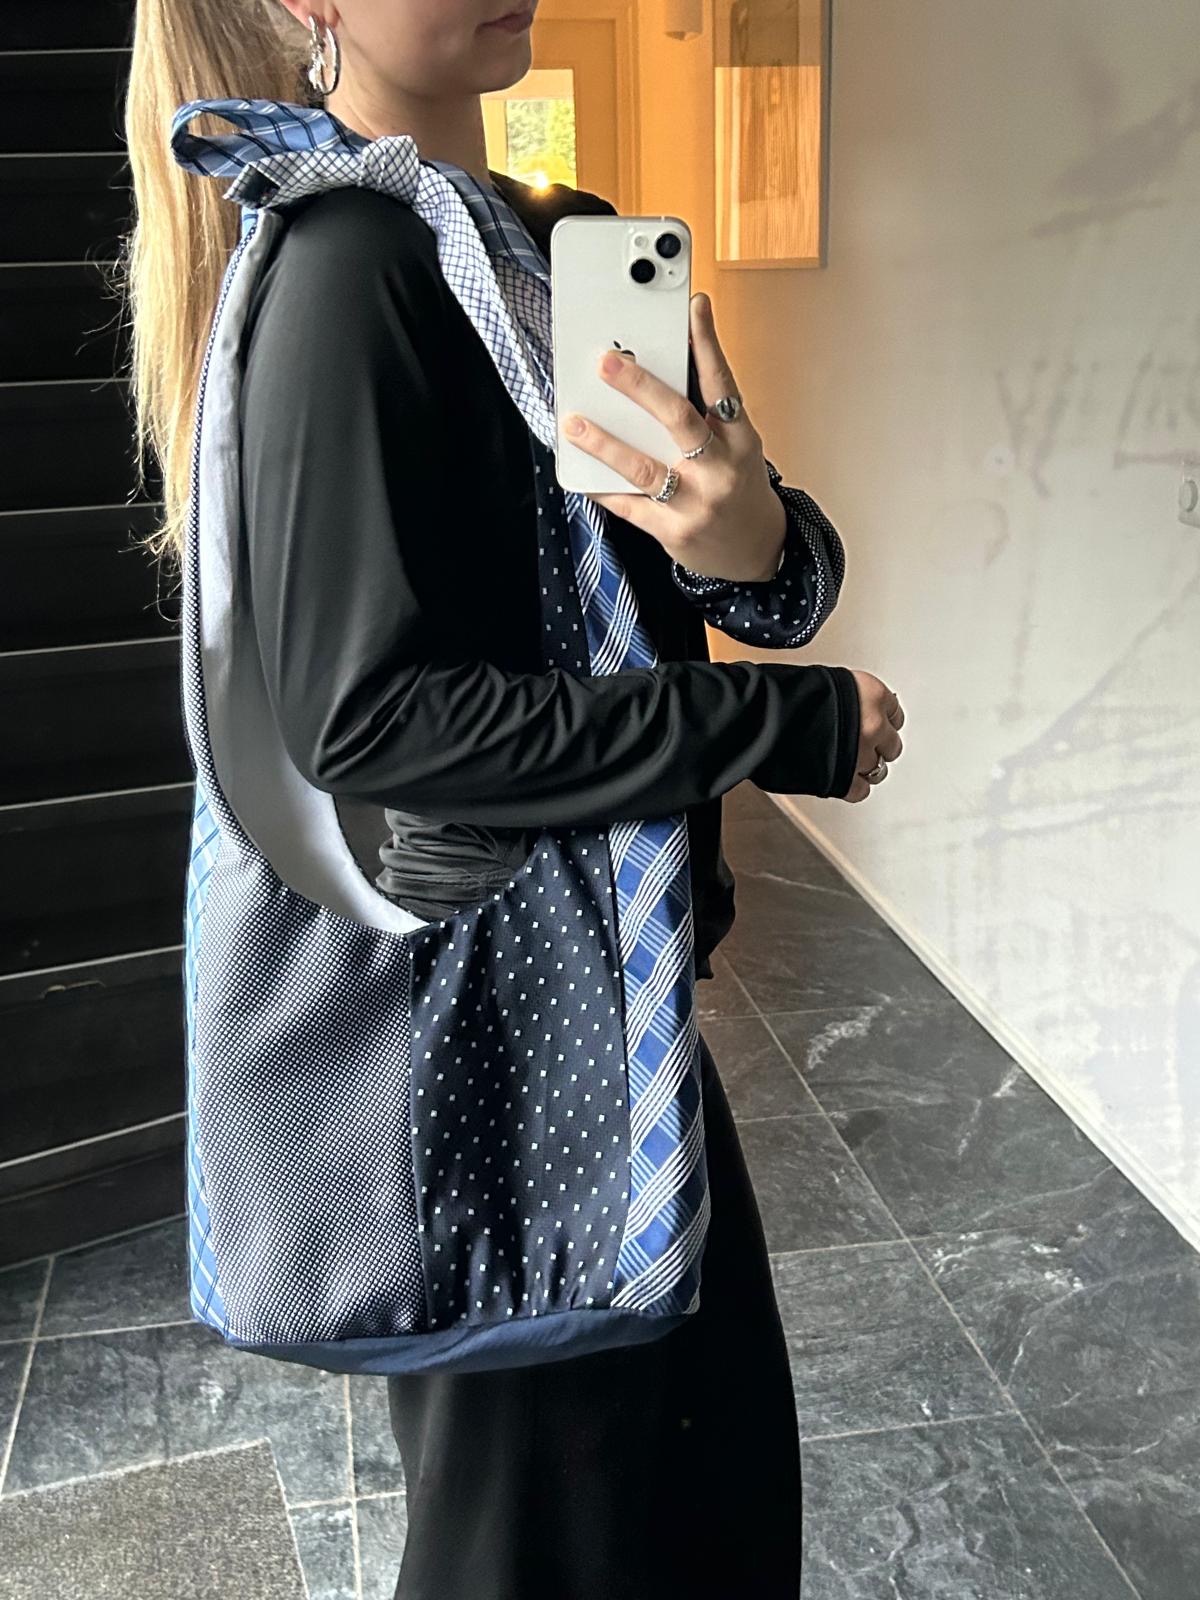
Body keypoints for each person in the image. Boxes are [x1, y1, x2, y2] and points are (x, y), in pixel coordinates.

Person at [119, 2, 905, 1595]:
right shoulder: (352, 261)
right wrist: (779, 725)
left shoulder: (554, 240)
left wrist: (746, 539)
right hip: (491, 1050)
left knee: (693, 1504)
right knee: (554, 1537)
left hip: (610, 1005)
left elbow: (732, 586)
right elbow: (375, 722)